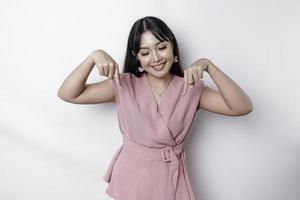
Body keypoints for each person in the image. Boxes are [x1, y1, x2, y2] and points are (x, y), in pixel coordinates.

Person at [57, 16, 253, 200]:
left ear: (173, 48)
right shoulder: (123, 84)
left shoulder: (191, 89)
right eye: (145, 52)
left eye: (161, 47)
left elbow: (242, 107)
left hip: (170, 177)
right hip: (132, 178)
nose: (156, 58)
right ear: (137, 58)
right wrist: (94, 56)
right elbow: (68, 94)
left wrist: (209, 66)